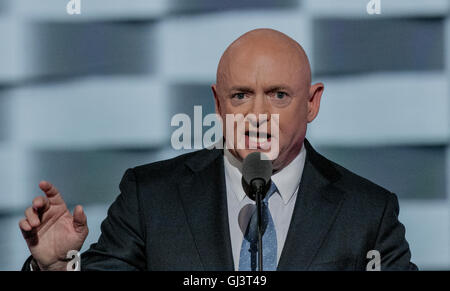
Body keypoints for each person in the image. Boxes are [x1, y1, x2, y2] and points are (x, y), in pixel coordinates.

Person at [19, 28, 417, 271]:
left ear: (312, 103)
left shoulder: (368, 212)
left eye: (279, 95)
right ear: (218, 104)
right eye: (241, 95)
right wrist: (56, 268)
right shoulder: (149, 196)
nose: (258, 114)